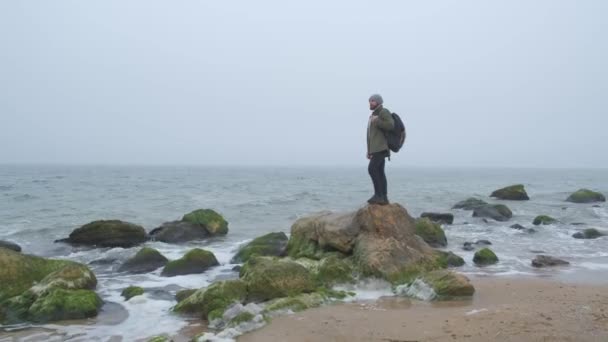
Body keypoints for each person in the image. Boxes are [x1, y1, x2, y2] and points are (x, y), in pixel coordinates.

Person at [367, 94, 394, 205]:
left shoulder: (383, 112)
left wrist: (377, 121)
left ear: (378, 102)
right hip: (376, 148)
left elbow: (391, 125)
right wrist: (369, 150)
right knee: (379, 172)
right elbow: (370, 135)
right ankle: (383, 197)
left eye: (372, 101)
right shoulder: (373, 114)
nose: (370, 103)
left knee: (372, 169)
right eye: (370, 101)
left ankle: (379, 195)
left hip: (381, 147)